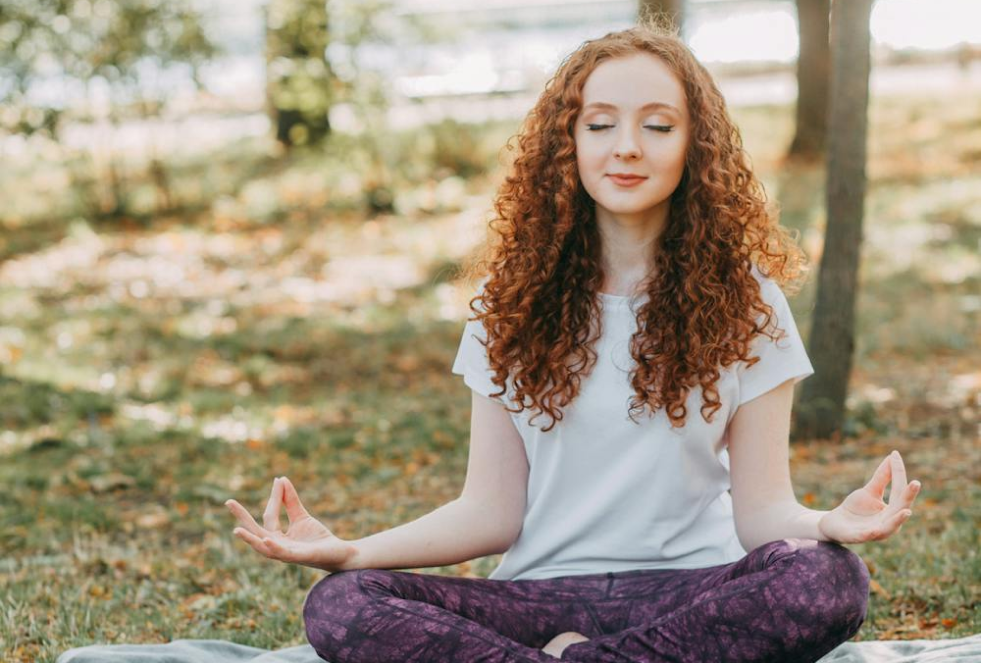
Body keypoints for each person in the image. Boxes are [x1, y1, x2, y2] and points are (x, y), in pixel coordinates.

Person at [224, 22, 922, 663]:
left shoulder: (748, 302)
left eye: (656, 125)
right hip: (534, 599)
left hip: (691, 597)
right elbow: (488, 511)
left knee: (826, 578)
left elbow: (763, 513)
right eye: (599, 124)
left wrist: (827, 521)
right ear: (569, 143)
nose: (626, 146)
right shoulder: (509, 307)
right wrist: (351, 551)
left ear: (694, 146)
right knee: (342, 605)